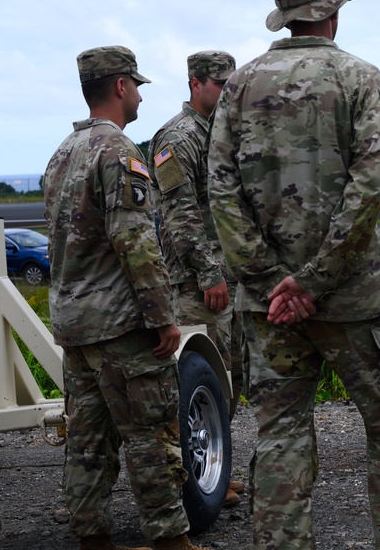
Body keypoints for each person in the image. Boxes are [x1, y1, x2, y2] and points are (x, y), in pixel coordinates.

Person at [207, 0, 380, 550]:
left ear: (287, 18)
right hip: (355, 298)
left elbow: (221, 190)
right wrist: (314, 280)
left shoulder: (239, 85)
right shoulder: (359, 77)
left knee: (280, 433)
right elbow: (366, 189)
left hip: (268, 307)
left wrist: (270, 279)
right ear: (332, 12)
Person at [44, 46, 206, 550]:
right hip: (119, 324)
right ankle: (171, 541)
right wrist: (163, 317)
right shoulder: (119, 152)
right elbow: (136, 242)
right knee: (150, 437)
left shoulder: (62, 154)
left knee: (88, 441)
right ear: (120, 86)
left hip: (74, 324)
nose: (138, 95)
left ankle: (91, 535)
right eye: (136, 86)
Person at [148, 50, 245, 507]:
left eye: (230, 84)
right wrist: (208, 274)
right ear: (195, 83)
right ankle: (191, 483)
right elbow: (179, 212)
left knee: (230, 379)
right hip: (196, 284)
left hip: (231, 276)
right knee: (197, 385)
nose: (227, 92)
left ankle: (216, 474)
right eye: (220, 84)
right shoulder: (177, 137)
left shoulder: (222, 133)